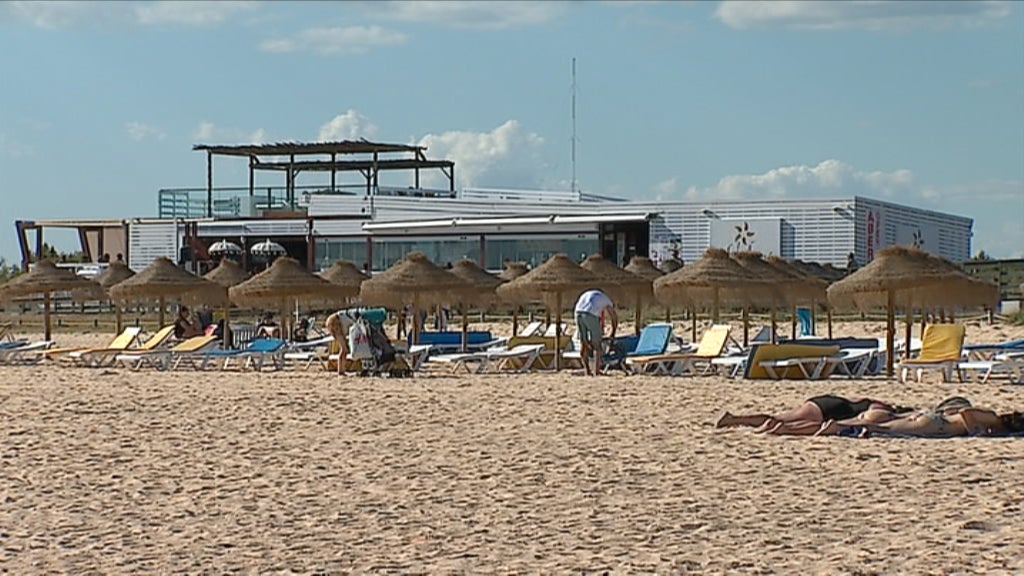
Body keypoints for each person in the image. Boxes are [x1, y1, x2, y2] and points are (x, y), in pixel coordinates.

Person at [716, 395, 909, 436]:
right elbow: (870, 416)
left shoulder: (867, 400)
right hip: (832, 410)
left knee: (781, 416)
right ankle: (775, 428)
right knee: (784, 420)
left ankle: (735, 419)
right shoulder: (882, 409)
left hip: (825, 401)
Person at [574, 288, 618, 376]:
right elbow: (613, 316)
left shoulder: (589, 294)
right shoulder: (606, 300)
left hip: (578, 313)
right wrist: (613, 330)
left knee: (584, 343)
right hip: (590, 314)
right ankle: (596, 371)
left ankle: (587, 370)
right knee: (597, 345)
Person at [325, 309, 359, 374]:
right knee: (344, 348)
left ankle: (341, 369)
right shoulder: (357, 319)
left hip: (333, 320)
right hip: (335, 321)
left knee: (343, 348)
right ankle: (341, 369)